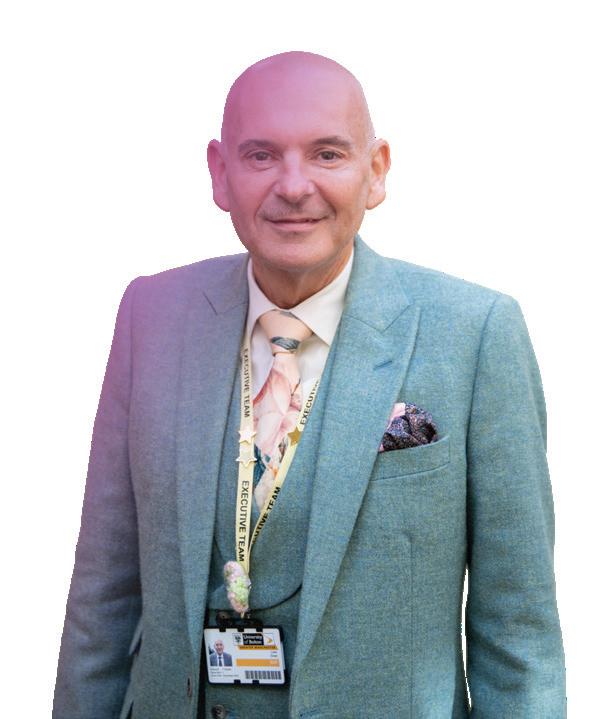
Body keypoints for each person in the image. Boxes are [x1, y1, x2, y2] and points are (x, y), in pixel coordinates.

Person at [53, 51, 566, 719]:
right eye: (261, 155)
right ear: (220, 173)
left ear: (376, 171)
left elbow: (518, 629)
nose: (294, 186)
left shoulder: (475, 333)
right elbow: (102, 596)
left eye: (327, 154)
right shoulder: (150, 315)